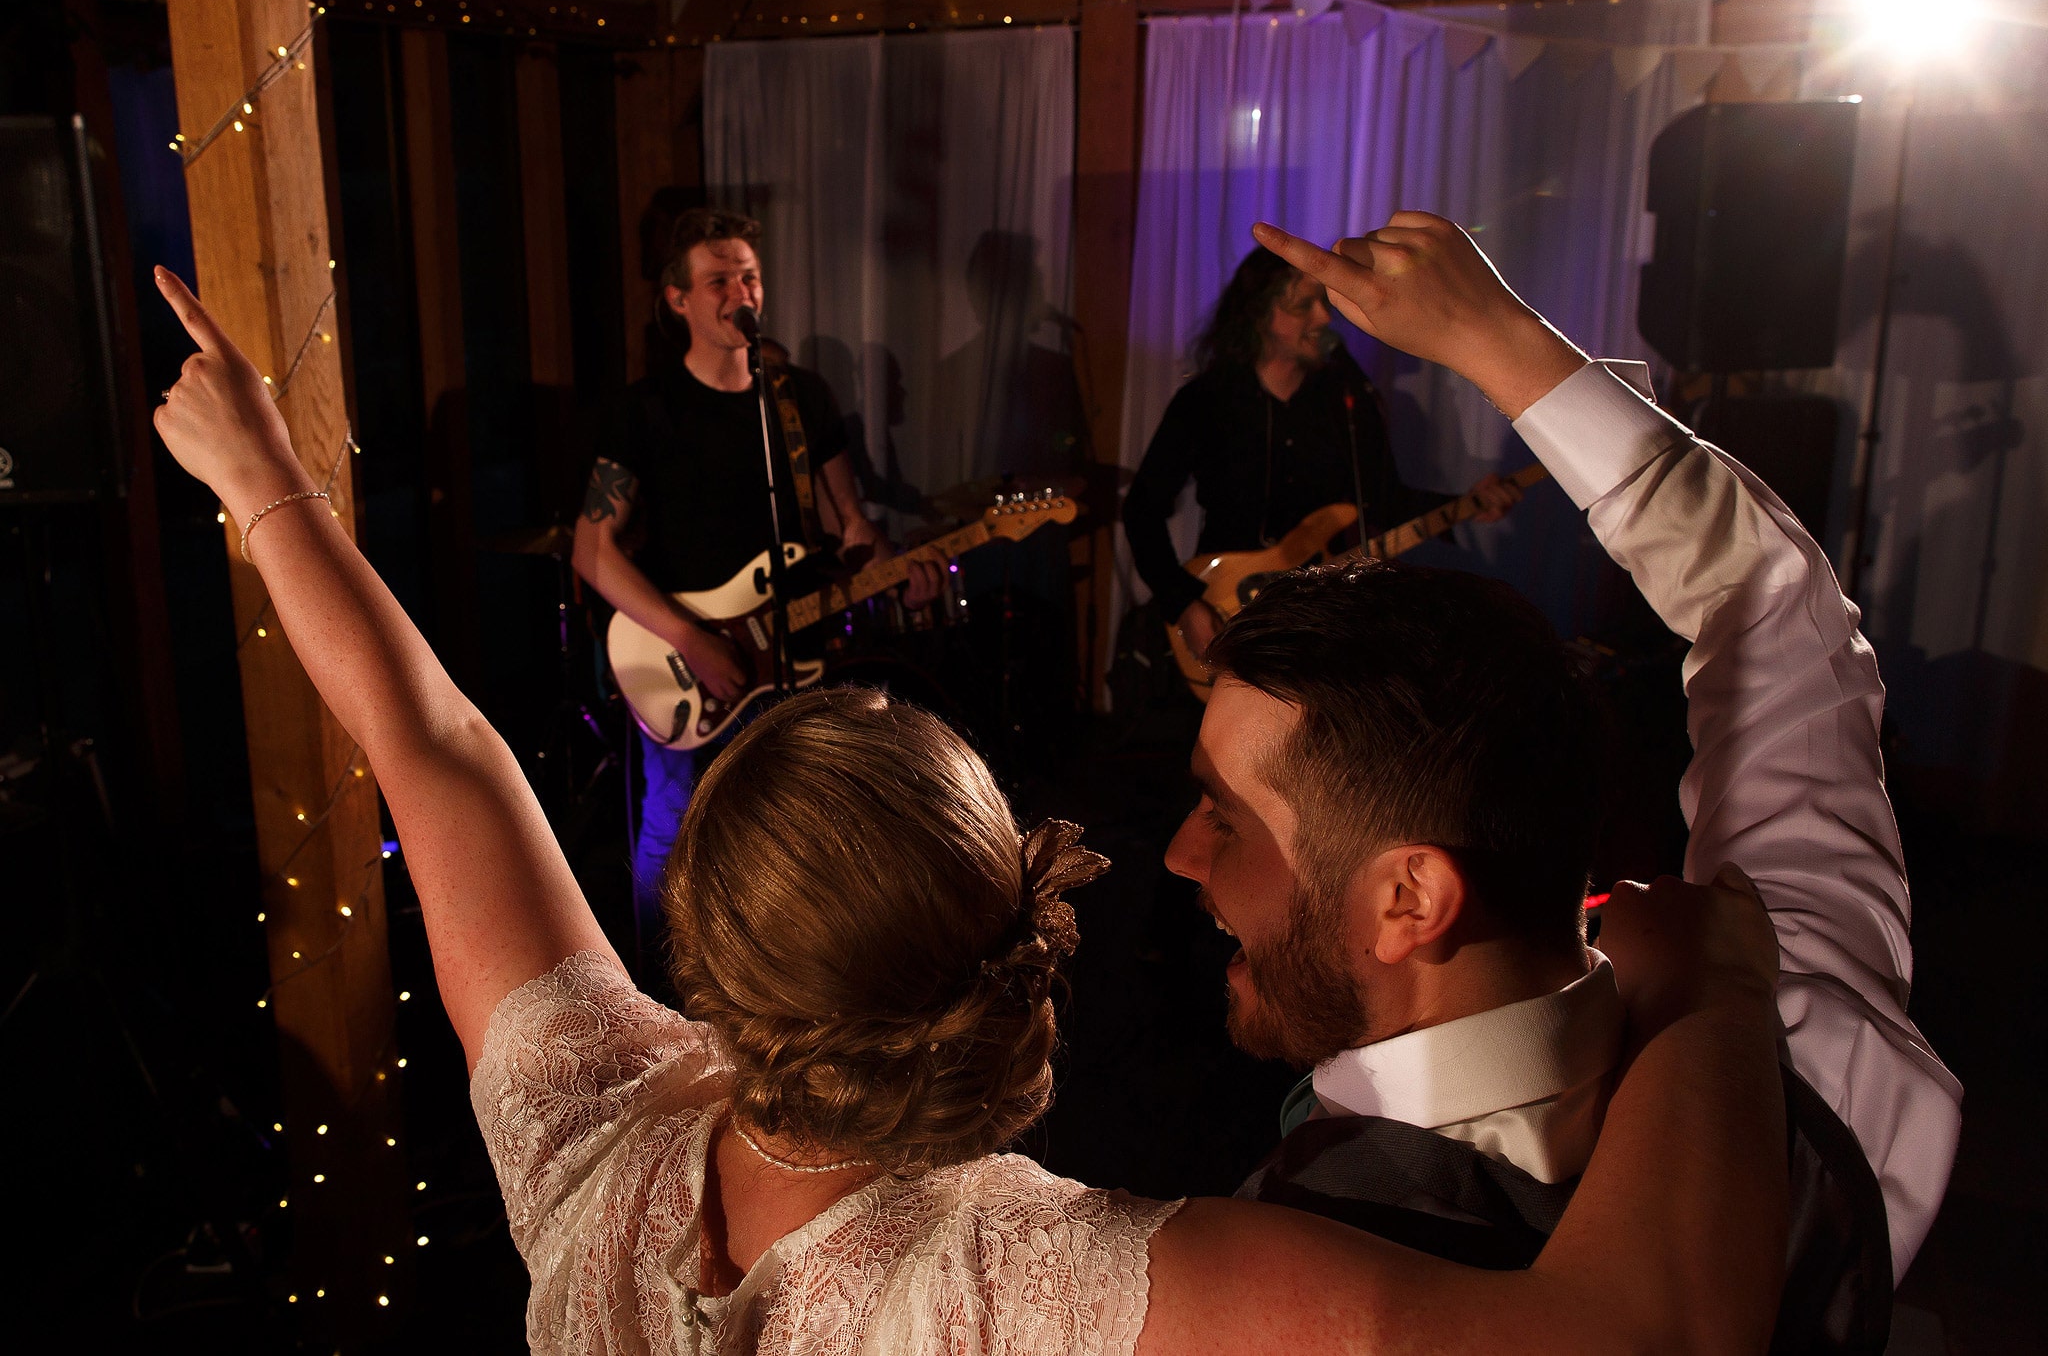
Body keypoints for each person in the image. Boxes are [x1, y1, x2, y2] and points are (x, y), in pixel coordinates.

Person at [152, 264, 1789, 1354]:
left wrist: (265, 488)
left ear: (704, 953)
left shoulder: (586, 1133)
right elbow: (1646, 1334)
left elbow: (436, 748)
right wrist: (1716, 988)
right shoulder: (1035, 1281)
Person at [1178, 214, 1961, 1303]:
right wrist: (1498, 340)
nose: (1178, 853)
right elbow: (1779, 617)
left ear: (1410, 896)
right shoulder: (1804, 1046)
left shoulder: (1274, 1280)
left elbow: (1768, 611)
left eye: (1222, 815)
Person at [569, 207, 941, 932]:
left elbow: (848, 526)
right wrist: (693, 639)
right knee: (675, 824)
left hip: (792, 653)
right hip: (684, 659)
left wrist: (897, 570)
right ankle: (660, 977)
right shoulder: (647, 410)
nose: (741, 293)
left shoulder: (799, 398)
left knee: (795, 823)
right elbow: (593, 550)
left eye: (750, 277)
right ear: (678, 299)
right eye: (719, 281)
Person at [1121, 245, 1523, 662]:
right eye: (1303, 306)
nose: (1324, 318)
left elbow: (1382, 500)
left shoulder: (1346, 399)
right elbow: (1142, 509)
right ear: (1259, 314)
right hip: (1228, 609)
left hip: (1319, 618)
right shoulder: (1206, 400)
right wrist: (1183, 603)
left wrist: (1465, 504)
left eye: (1324, 303)